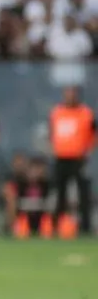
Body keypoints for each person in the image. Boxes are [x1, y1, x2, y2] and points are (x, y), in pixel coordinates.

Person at [49, 85, 95, 237]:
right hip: (61, 158)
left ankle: (85, 226)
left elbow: (94, 133)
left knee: (83, 193)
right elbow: (52, 133)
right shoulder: (56, 112)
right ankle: (58, 226)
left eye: (73, 93)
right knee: (60, 193)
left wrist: (87, 150)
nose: (70, 96)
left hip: (79, 159)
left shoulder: (86, 113)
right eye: (67, 93)